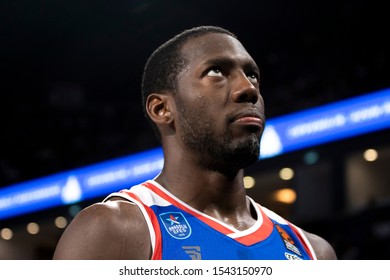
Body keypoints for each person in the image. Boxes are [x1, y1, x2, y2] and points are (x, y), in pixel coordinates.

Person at [53, 25, 337, 260]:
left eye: (252, 75)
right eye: (216, 72)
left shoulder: (315, 253)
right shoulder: (113, 231)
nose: (248, 89)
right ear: (162, 109)